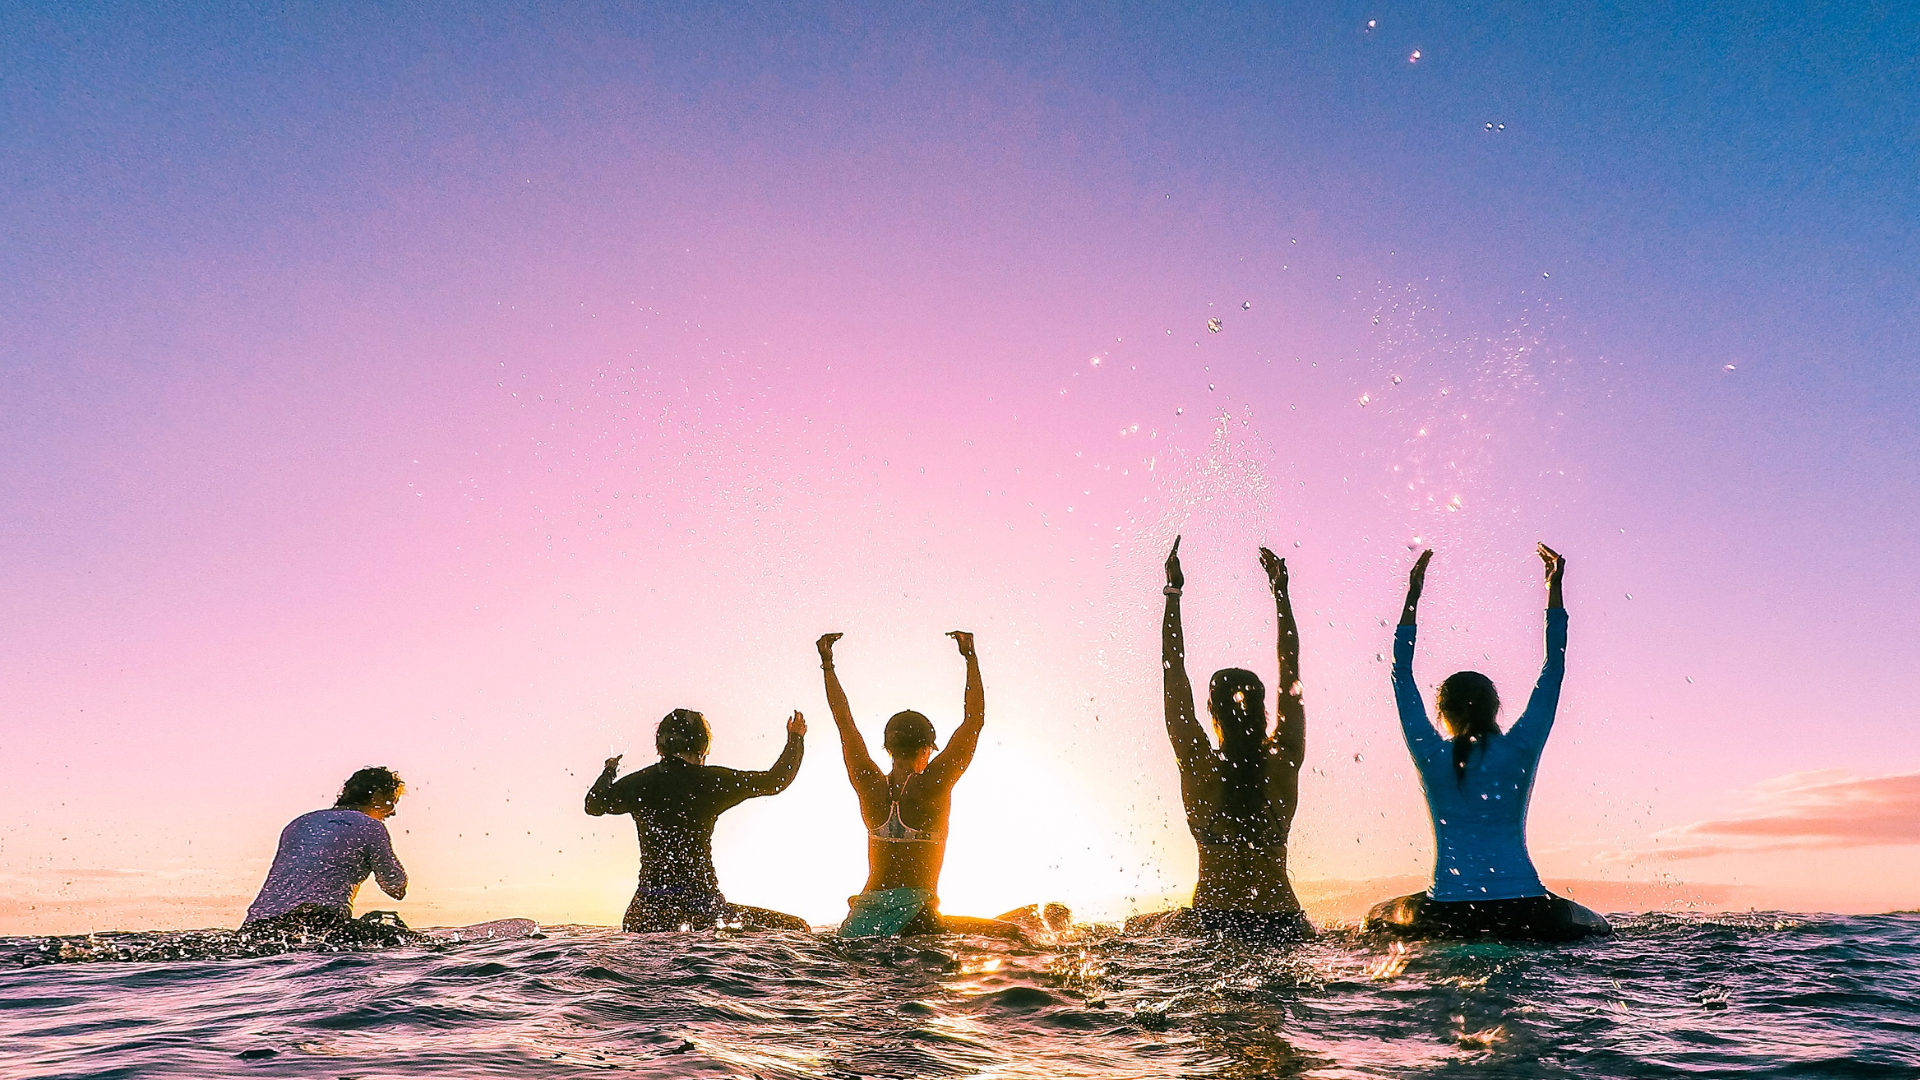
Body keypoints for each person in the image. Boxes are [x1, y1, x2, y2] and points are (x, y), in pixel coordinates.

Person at [1364, 544, 1611, 941]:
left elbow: (1401, 675)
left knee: (1377, 913)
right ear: (1497, 708)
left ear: (1442, 712)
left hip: (1445, 913)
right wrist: (1554, 589)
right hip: (1531, 912)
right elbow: (1554, 667)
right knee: (1598, 924)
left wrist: (1412, 597)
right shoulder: (1521, 748)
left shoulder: (1430, 753)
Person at [1126, 537, 1313, 941]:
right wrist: (1280, 594)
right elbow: (1290, 666)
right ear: (1265, 711)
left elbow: (1172, 672)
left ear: (1211, 713)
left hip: (1215, 922)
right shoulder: (1285, 756)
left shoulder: (1197, 763)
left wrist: (1173, 594)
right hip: (1284, 923)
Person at [818, 630, 1032, 938]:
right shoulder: (932, 785)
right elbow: (974, 720)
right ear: (926, 749)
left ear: (888, 749)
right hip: (916, 921)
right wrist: (970, 657)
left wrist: (828, 664)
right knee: (1014, 936)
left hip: (860, 925)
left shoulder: (869, 785)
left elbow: (844, 722)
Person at [585, 708, 810, 932]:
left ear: (661, 744)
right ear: (703, 746)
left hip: (646, 912)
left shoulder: (640, 783)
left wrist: (609, 771)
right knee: (797, 927)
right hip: (700, 909)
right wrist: (795, 739)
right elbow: (775, 781)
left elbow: (593, 804)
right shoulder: (710, 782)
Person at [241, 766, 415, 944]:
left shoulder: (300, 822)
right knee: (410, 941)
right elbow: (395, 888)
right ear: (377, 795)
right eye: (391, 802)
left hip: (255, 926)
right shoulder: (369, 826)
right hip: (316, 923)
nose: (393, 812)